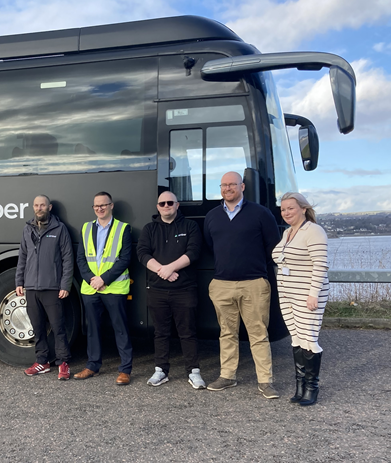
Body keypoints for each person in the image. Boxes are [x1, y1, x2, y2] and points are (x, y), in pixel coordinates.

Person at [203, 171, 281, 398]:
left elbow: (272, 248)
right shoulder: (212, 216)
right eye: (224, 185)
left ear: (242, 187)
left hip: (254, 284)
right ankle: (227, 376)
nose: (228, 188)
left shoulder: (261, 213)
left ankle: (265, 381)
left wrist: (251, 267)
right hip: (222, 284)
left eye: (233, 185)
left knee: (258, 333)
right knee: (227, 333)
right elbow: (211, 246)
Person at [137, 191, 205, 389]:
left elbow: (193, 252)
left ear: (177, 205)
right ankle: (161, 370)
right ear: (158, 207)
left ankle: (194, 371)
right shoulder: (149, 229)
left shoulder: (190, 226)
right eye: (162, 203)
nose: (166, 206)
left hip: (184, 289)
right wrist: (162, 270)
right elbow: (142, 253)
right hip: (157, 289)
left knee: (188, 332)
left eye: (170, 202)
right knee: (161, 333)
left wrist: (170, 268)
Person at [273, 192, 329, 406]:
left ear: (303, 209)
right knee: (296, 338)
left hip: (307, 295)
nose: (286, 212)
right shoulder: (287, 233)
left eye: (291, 208)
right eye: (283, 209)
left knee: (309, 339)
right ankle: (300, 386)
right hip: (288, 294)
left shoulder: (313, 231)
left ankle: (312, 388)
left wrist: (313, 294)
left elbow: (320, 264)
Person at [74, 192, 133, 385]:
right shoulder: (86, 228)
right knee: (93, 329)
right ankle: (92, 366)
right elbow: (81, 258)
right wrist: (92, 279)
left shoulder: (123, 228)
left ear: (111, 206)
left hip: (114, 287)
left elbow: (125, 259)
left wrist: (104, 279)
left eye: (103, 205)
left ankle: (125, 370)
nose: (100, 208)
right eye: (96, 206)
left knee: (120, 329)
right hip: (91, 288)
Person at [17, 194, 74, 380]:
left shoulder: (59, 229)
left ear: (49, 208)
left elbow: (67, 258)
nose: (39, 208)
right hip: (32, 288)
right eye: (36, 205)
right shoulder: (27, 229)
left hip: (52, 288)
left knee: (58, 327)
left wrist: (65, 284)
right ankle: (42, 361)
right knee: (38, 327)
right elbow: (22, 257)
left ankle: (63, 362)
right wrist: (19, 282)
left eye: (42, 205)